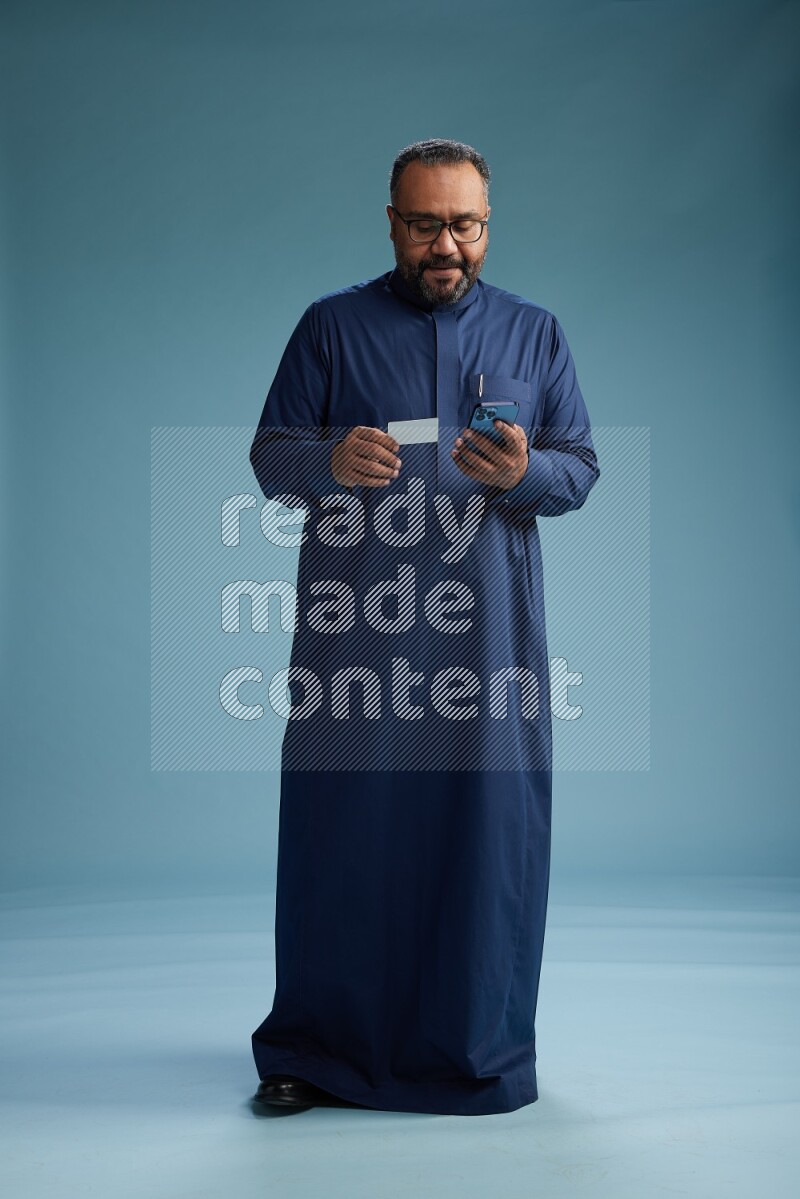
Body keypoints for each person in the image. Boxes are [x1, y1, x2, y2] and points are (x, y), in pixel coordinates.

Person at [248, 138, 599, 1116]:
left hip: (485, 648)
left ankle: (475, 1052)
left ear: (486, 224)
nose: (445, 243)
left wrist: (522, 473)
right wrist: (326, 461)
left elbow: (577, 467)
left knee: (481, 844)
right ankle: (312, 1052)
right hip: (353, 637)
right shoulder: (330, 328)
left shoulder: (534, 334)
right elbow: (269, 451)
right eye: (424, 222)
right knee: (338, 836)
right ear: (391, 222)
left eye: (465, 223)